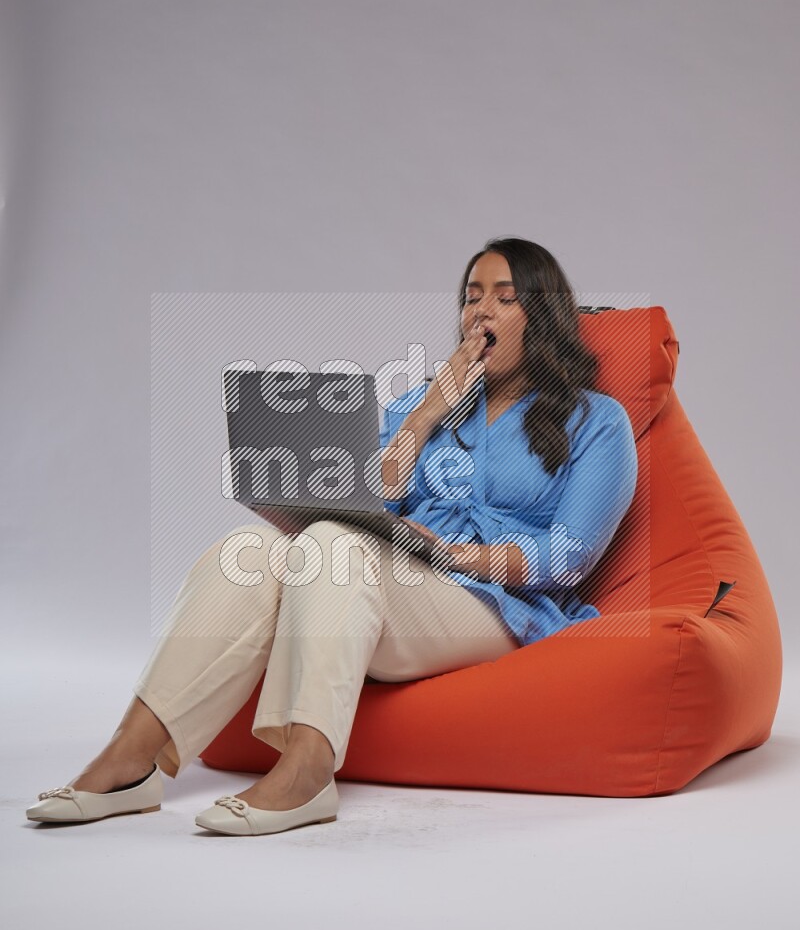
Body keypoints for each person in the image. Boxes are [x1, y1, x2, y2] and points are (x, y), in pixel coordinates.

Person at [26, 238, 638, 836]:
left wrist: (451, 553)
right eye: (471, 296)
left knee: (334, 549)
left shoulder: (597, 421)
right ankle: (130, 759)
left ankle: (308, 772)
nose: (480, 311)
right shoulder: (421, 405)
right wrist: (426, 414)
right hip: (393, 579)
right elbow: (376, 497)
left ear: (546, 314)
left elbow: (568, 557)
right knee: (249, 552)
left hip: (497, 606)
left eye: (505, 298)